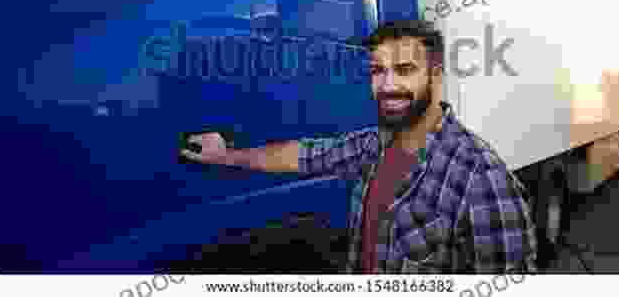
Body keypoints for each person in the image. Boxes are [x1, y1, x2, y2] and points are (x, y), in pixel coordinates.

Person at [180, 19, 537, 273]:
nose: (387, 85)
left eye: (404, 69)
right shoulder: (374, 146)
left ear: (436, 75)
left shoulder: (482, 180)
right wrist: (224, 155)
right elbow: (302, 156)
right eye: (377, 71)